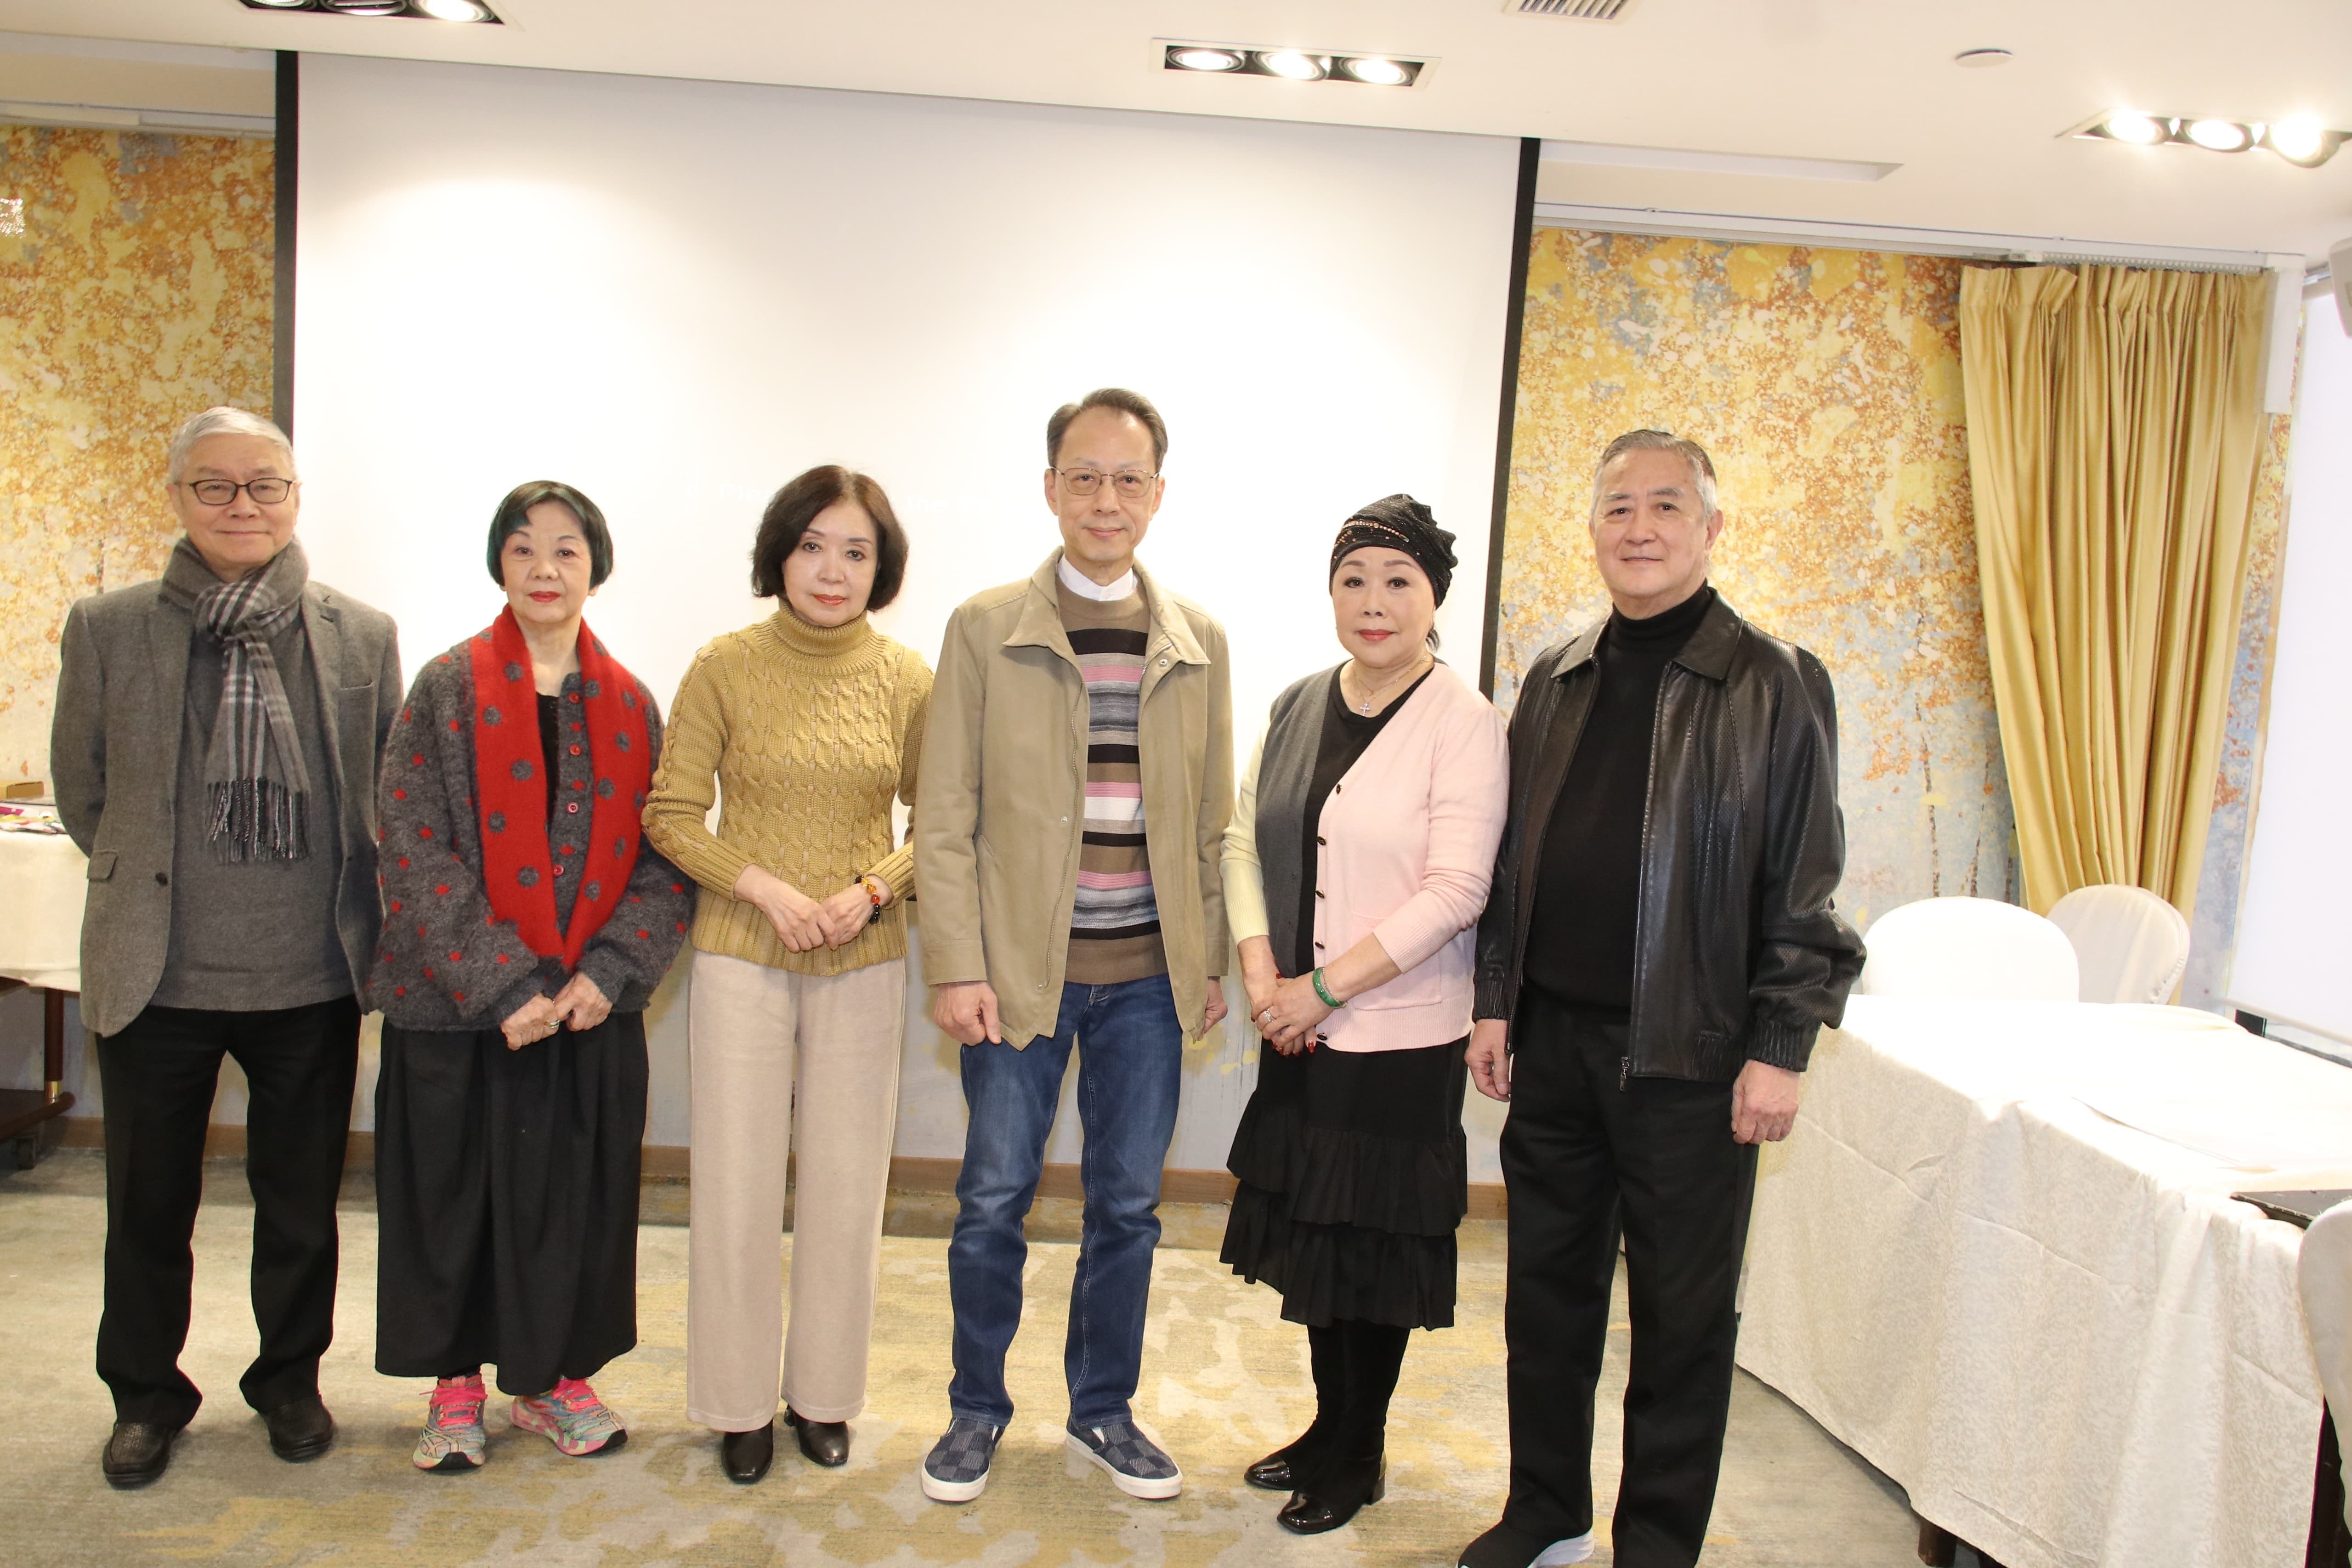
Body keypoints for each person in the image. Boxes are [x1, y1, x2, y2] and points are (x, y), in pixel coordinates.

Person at [1456, 430, 1865, 1568]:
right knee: (1545, 1299)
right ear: (1592, 529)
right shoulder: (1557, 674)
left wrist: (1780, 1044)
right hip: (1552, 1046)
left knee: (1682, 1321)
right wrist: (1495, 999)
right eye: (1618, 507)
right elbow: (1512, 861)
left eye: (1666, 506)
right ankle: (1546, 1508)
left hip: (1694, 1056)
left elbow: (1805, 879)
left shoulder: (1774, 681)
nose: (1639, 528)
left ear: (1711, 527)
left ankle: (1655, 1544)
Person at [51, 406, 401, 1489]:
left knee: (300, 1210)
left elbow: (385, 795)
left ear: (295, 497)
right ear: (177, 497)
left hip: (311, 973)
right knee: (146, 1210)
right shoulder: (108, 627)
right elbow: (83, 790)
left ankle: (288, 1381)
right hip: (157, 974)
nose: (242, 505)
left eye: (265, 485)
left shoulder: (359, 633)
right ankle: (145, 1398)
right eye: (215, 485)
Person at [914, 387, 1232, 1504]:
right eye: (1084, 477)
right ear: (1050, 488)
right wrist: (957, 965)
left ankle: (1103, 1412)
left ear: (1157, 494)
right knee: (991, 1201)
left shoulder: (1198, 641)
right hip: (1016, 978)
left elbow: (1212, 821)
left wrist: (1208, 960)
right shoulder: (983, 628)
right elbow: (942, 815)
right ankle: (974, 1411)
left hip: (1146, 979)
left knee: (1127, 1209)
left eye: (1127, 479)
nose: (1106, 499)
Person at [368, 480, 689, 1472]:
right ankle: (456, 1385)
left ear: (596, 567)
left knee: (575, 1201)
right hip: (458, 1006)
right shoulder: (446, 686)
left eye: (566, 550)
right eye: (522, 549)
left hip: (587, 1006)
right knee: (450, 1198)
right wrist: (505, 984)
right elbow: (411, 841)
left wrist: (611, 970)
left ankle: (552, 1383)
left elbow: (667, 854)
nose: (545, 569)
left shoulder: (633, 703)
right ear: (498, 565)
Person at [1219, 497, 1509, 1534]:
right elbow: (1242, 840)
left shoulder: (1463, 721)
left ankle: (1359, 1451)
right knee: (1314, 1236)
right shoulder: (1299, 702)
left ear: (1434, 598)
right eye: (1353, 580)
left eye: (1398, 581)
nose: (1373, 602)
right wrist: (1262, 970)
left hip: (1397, 1036)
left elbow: (1457, 890)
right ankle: (1325, 1425)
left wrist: (1323, 990)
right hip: (1293, 1022)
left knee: (1369, 1249)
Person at [642, 466, 931, 1485]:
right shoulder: (724, 665)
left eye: (856, 551)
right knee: (736, 1183)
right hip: (741, 953)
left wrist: (874, 888)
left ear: (881, 569)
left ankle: (823, 1398)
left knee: (848, 1187)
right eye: (812, 546)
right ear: (780, 553)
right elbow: (671, 813)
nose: (832, 570)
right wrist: (763, 888)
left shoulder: (907, 678)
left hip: (863, 955)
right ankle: (735, 1405)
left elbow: (942, 818)